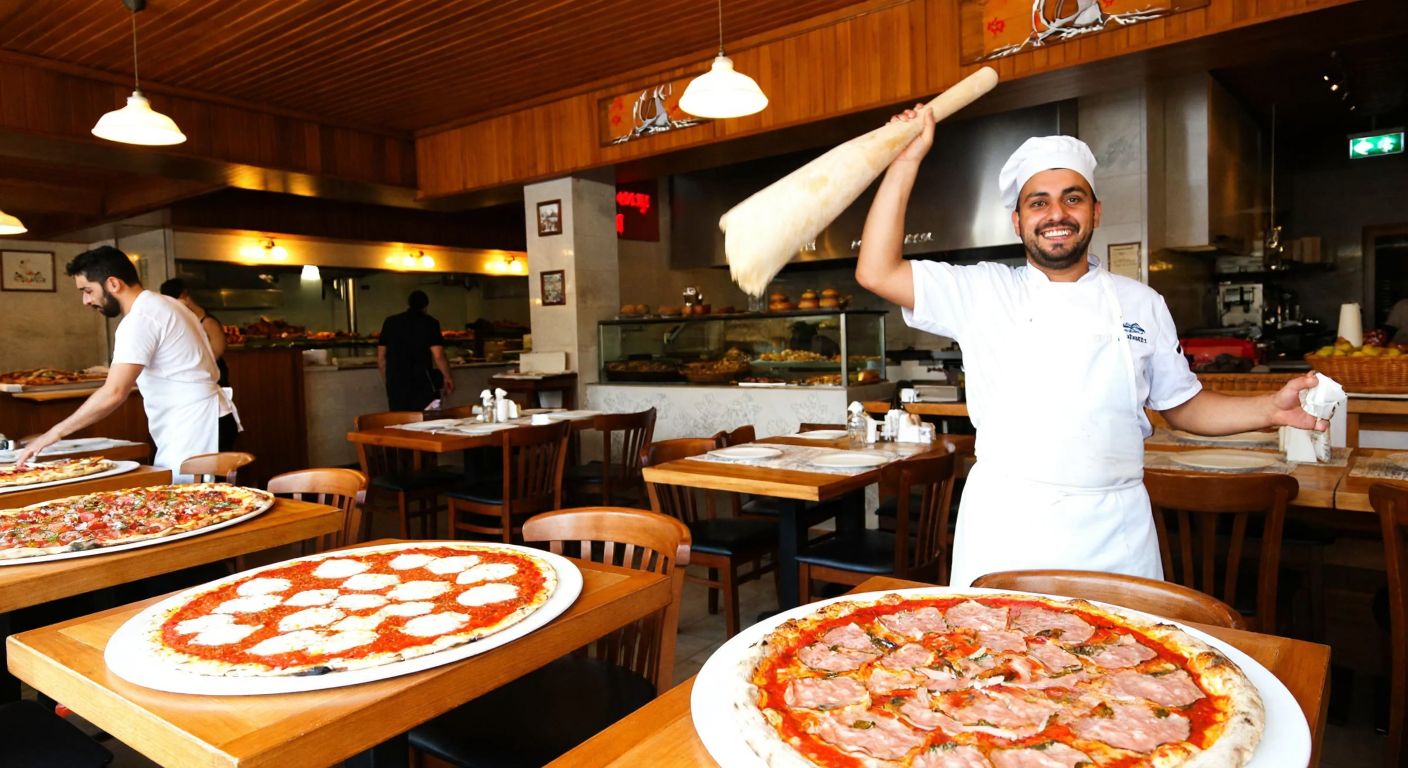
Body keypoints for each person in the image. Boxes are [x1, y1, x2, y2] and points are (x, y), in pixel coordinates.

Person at [855, 107, 1325, 588]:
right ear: (1017, 222)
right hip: (1009, 525)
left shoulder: (1142, 303)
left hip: (1116, 530)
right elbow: (876, 270)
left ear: (1095, 211)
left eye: (1071, 198)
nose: (1056, 213)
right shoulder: (983, 291)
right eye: (1038, 203)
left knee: (1127, 658)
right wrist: (906, 160)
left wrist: (1270, 409)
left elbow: (1184, 406)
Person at [16, 246, 239, 474]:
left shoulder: (140, 319)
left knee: (196, 505)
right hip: (206, 417)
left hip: (197, 425)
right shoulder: (168, 303)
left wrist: (53, 434)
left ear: (113, 284)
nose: (85, 300)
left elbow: (114, 392)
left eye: (88, 290)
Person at [160, 278, 237, 450]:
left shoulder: (207, 322)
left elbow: (216, 351)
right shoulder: (183, 321)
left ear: (185, 297)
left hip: (213, 382)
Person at [378, 290, 454, 411]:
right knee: (426, 421)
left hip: (396, 382)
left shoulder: (390, 322)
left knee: (399, 422)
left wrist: (389, 380)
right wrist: (447, 377)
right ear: (425, 306)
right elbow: (438, 355)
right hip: (422, 382)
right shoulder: (430, 323)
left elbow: (381, 358)